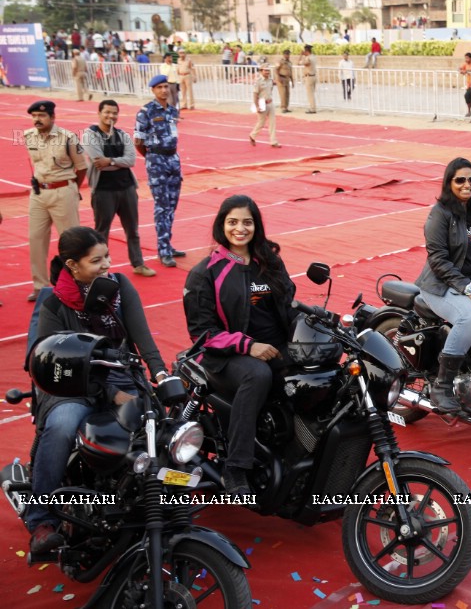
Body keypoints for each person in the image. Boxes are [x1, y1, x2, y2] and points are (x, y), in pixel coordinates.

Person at [27, 226, 169, 553]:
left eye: (107, 256)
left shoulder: (120, 287)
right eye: (96, 260)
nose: (107, 264)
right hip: (70, 388)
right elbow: (44, 359)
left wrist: (162, 375)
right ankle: (41, 520)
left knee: (157, 425)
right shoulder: (53, 302)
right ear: (72, 265)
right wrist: (110, 394)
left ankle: (146, 502)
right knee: (62, 427)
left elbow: (143, 339)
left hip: (121, 378)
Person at [183, 195, 297, 495]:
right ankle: (237, 465)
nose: (240, 228)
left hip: (275, 348)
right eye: (232, 222)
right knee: (257, 374)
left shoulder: (269, 261)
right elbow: (202, 333)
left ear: (256, 225)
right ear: (222, 225)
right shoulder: (206, 272)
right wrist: (248, 346)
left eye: (247, 222)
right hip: (226, 356)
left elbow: (288, 305)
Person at [413, 158, 471, 412]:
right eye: (460, 179)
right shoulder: (440, 214)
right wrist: (468, 287)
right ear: (449, 182)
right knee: (469, 316)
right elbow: (437, 260)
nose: (467, 184)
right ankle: (442, 385)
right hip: (441, 284)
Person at [82, 100, 156, 278]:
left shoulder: (122, 135)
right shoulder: (89, 135)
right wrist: (117, 161)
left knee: (133, 230)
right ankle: (100, 269)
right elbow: (97, 161)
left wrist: (111, 161)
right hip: (103, 190)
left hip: (127, 189)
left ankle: (138, 264)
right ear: (99, 113)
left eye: (114, 113)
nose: (111, 116)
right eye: (107, 112)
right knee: (101, 232)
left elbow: (131, 160)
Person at [24, 100, 88, 301]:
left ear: (52, 117)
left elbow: (82, 167)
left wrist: (71, 189)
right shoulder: (28, 137)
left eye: (41, 116)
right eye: (34, 116)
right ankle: (40, 286)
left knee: (71, 242)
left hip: (63, 192)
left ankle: (77, 284)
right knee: (36, 239)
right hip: (38, 194)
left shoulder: (68, 138)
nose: (37, 119)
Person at [134, 74, 184, 268]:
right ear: (153, 90)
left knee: (172, 205)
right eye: (159, 87)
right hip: (156, 161)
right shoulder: (145, 112)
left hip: (173, 159)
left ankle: (168, 244)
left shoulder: (172, 111)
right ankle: (163, 250)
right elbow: (138, 141)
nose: (164, 90)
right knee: (161, 207)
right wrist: (151, 156)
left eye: (166, 87)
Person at [250, 64, 281, 149]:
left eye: (268, 70)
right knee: (261, 123)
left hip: (270, 103)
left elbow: (272, 89)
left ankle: (273, 142)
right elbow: (255, 94)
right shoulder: (258, 81)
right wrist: (257, 106)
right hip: (262, 104)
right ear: (261, 71)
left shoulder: (270, 80)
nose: (267, 72)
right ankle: (252, 135)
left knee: (272, 122)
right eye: (265, 70)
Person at [459, 52, 471, 121]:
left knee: (467, 95)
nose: (466, 59)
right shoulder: (465, 64)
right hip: (468, 84)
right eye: (465, 58)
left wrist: (466, 71)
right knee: (469, 98)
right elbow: (459, 68)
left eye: (467, 58)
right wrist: (461, 71)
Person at [297, 45, 317, 113]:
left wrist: (301, 55)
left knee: (310, 94)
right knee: (312, 93)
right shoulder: (313, 57)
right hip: (313, 76)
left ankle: (312, 109)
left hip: (309, 77)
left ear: (306, 51)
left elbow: (298, 63)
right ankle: (313, 107)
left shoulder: (308, 58)